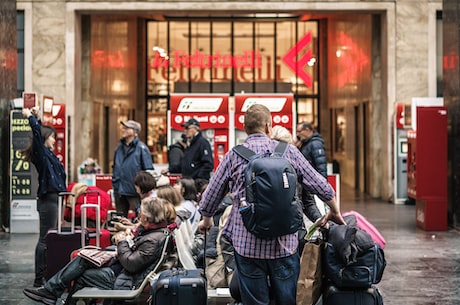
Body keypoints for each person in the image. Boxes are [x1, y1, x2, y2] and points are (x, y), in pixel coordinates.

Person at [197, 104, 345, 305]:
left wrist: (206, 219)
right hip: (284, 244)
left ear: (245, 128)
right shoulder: (288, 152)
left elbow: (211, 195)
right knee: (286, 299)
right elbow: (320, 184)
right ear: (268, 127)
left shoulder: (234, 155)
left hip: (247, 245)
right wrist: (334, 211)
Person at [23, 196, 176, 305]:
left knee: (82, 272)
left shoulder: (153, 239)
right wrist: (125, 242)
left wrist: (122, 242)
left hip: (124, 279)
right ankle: (51, 291)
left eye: (141, 212)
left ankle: (51, 291)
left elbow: (131, 264)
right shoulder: (155, 232)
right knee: (85, 258)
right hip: (122, 272)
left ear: (148, 218)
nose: (139, 214)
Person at [21, 106, 67, 288]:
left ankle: (46, 272)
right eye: (52, 136)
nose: (55, 140)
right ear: (45, 138)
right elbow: (37, 136)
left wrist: (37, 118)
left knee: (49, 237)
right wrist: (31, 118)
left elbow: (39, 135)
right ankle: (39, 277)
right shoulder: (41, 156)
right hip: (48, 199)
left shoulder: (49, 155)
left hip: (54, 199)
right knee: (45, 238)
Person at [112, 120, 154, 218]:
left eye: (126, 128)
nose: (123, 130)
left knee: (141, 217)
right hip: (119, 190)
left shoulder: (142, 148)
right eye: (123, 128)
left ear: (135, 132)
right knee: (120, 219)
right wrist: (115, 184)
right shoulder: (118, 149)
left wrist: (142, 189)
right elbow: (115, 168)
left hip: (135, 191)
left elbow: (148, 171)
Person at [296, 122, 328, 219]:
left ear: (307, 130)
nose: (297, 134)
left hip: (312, 184)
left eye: (299, 131)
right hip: (308, 183)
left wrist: (321, 187)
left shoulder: (315, 144)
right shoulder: (304, 143)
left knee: (312, 206)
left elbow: (321, 166)